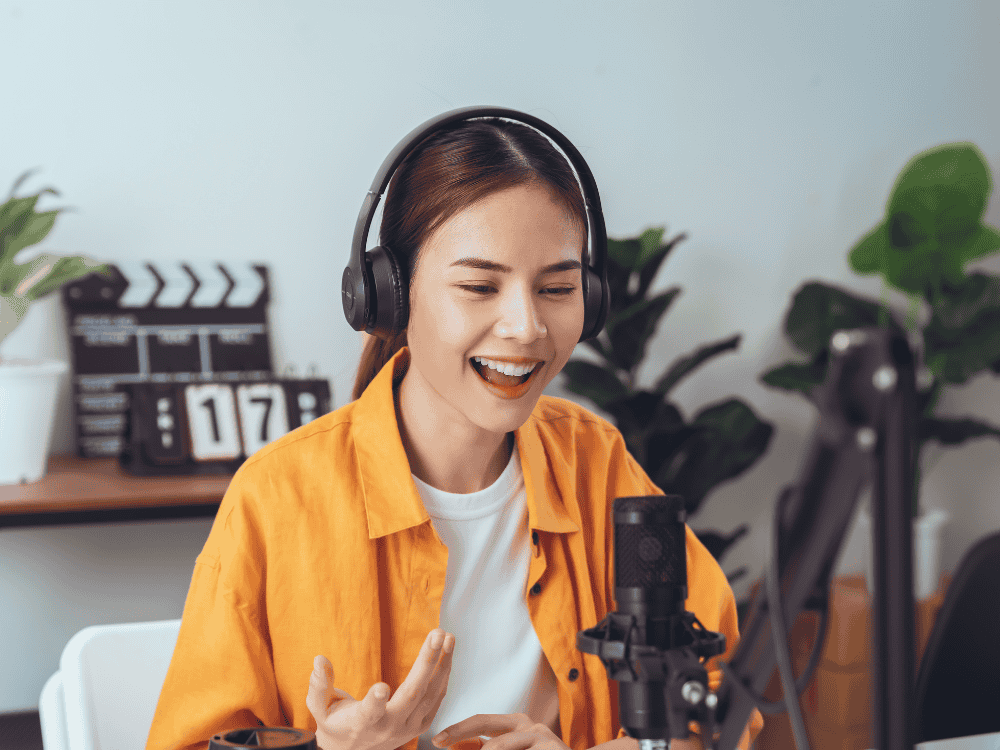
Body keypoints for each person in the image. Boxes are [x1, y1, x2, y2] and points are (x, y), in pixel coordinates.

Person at [145, 115, 764, 750]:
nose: (526, 327)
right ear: (390, 295)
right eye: (477, 286)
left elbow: (718, 707)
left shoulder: (596, 462)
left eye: (557, 287)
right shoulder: (278, 497)